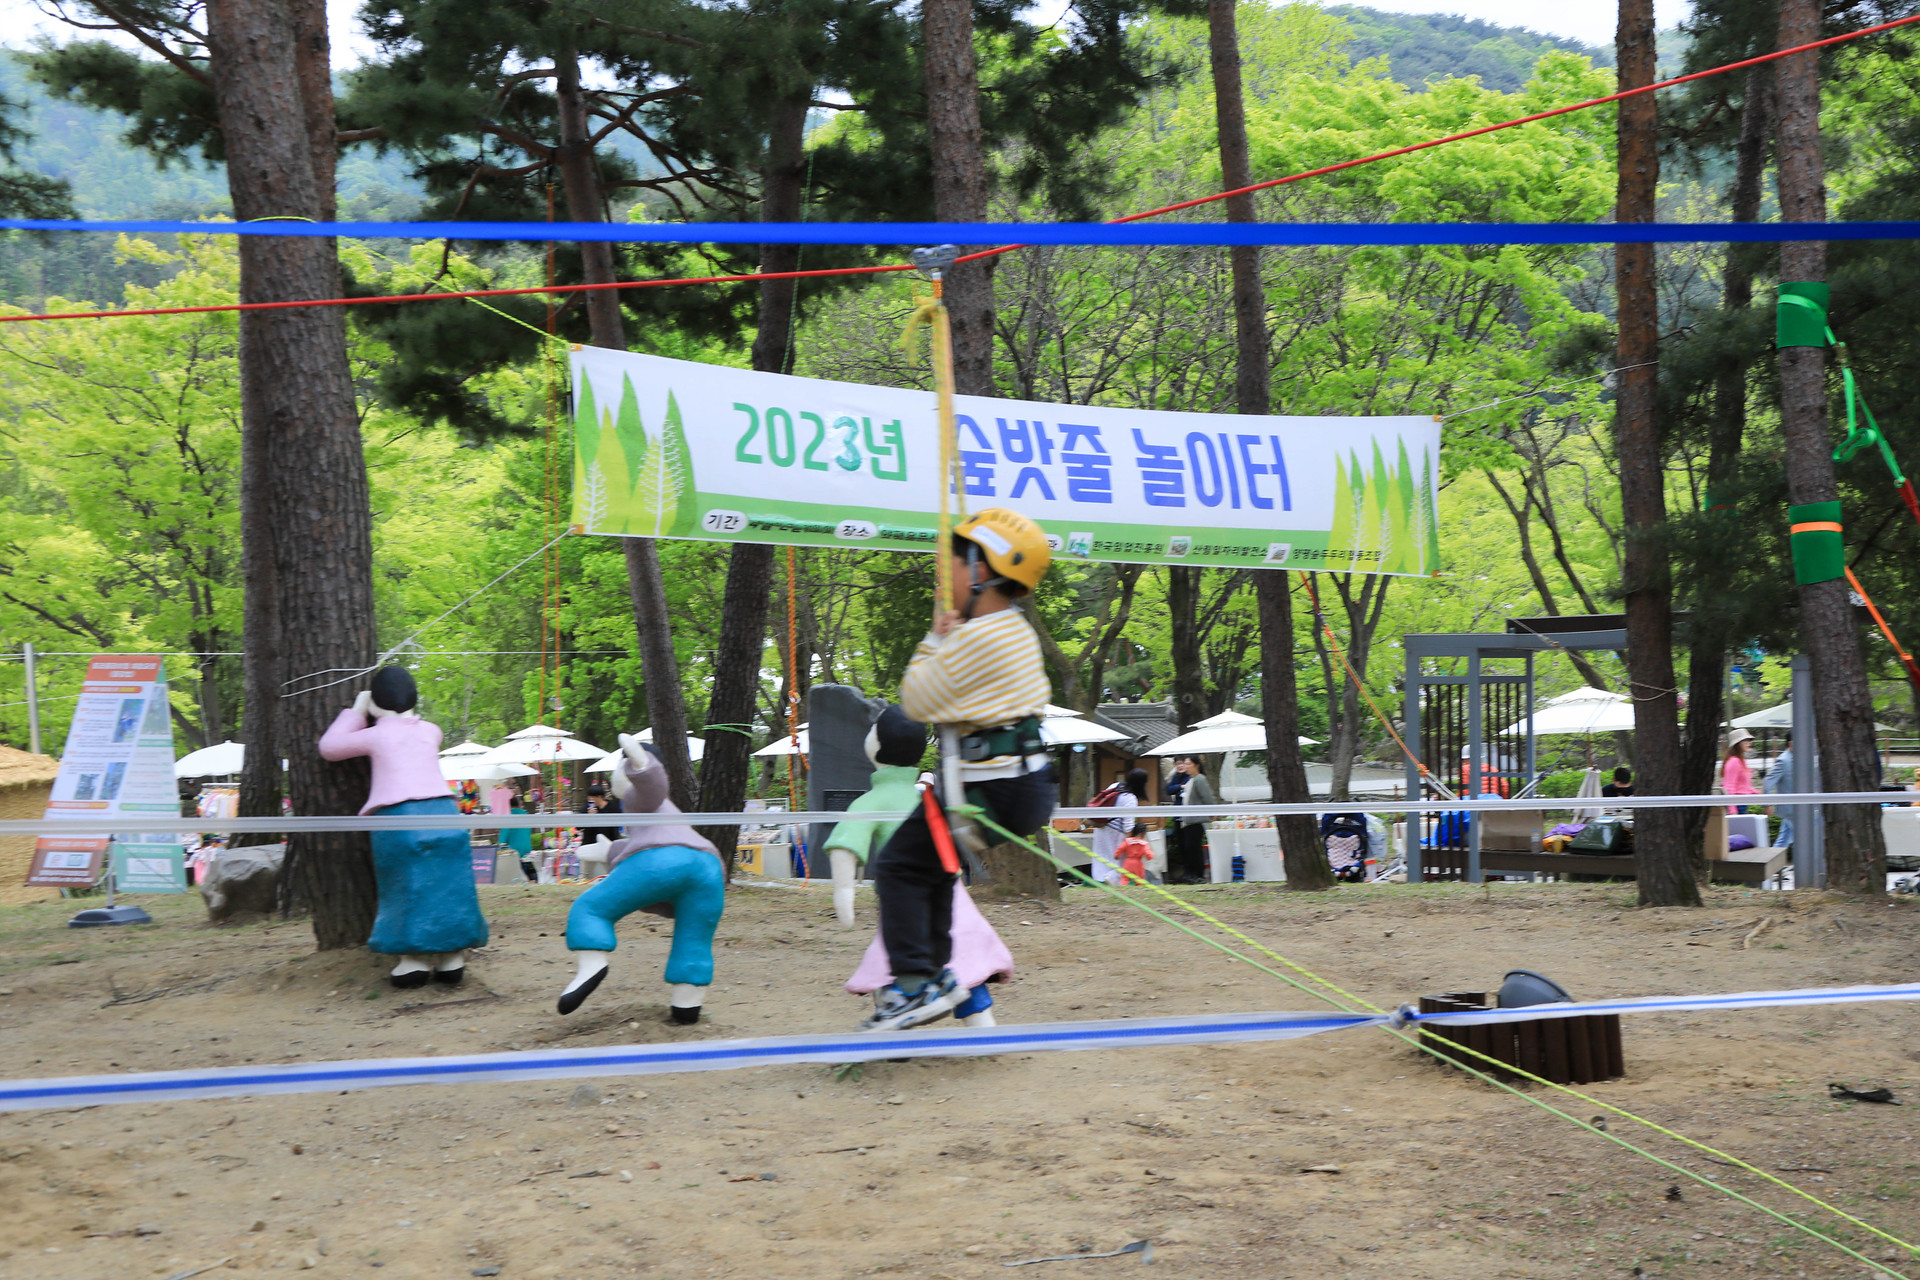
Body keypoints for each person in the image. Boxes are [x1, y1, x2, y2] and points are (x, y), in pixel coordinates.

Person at [863, 508, 1055, 1032]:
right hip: (1013, 782)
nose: (944, 570)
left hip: (992, 788)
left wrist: (934, 639)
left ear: (979, 571)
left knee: (900, 866)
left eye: (952, 559)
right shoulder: (1011, 628)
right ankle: (933, 974)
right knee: (929, 869)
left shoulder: (980, 637)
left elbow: (917, 700)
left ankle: (914, 984)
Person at [318, 666, 489, 989]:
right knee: (450, 886)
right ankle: (452, 957)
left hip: (400, 816)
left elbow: (330, 747)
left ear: (376, 703)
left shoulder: (378, 733)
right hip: (445, 814)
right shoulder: (432, 730)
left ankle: (412, 961)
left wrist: (356, 710)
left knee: (405, 888)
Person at [558, 735, 727, 1023]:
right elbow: (649, 834)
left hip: (663, 862)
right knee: (694, 938)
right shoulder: (665, 811)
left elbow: (652, 787)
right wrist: (610, 850)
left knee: (591, 908)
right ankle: (687, 1005)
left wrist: (640, 763)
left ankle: (592, 966)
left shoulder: (641, 796)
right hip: (708, 871)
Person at [1090, 769, 1147, 885]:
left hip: (1101, 827)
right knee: (1119, 860)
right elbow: (1128, 826)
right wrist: (1131, 843)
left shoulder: (1115, 785)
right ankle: (1111, 879)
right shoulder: (1130, 798)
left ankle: (1100, 879)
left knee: (1101, 856)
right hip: (1116, 833)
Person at [1171, 756, 1215, 884]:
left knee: (1194, 847)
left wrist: (1213, 812)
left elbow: (1208, 798)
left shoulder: (1200, 779)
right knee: (1189, 848)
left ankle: (1199, 875)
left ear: (1196, 765)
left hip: (1197, 820)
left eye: (1188, 764)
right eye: (1184, 764)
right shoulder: (1190, 780)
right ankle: (1192, 874)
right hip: (1188, 820)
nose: (1185, 766)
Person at [1764, 733, 1795, 851]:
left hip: (1794, 809)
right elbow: (1768, 781)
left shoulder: (1796, 758)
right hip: (1791, 810)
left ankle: (1773, 865)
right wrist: (1768, 803)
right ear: (1791, 743)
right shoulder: (1783, 760)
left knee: (1784, 839)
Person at [500, 791, 537, 882]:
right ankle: (535, 881)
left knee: (518, 875)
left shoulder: (508, 816)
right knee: (530, 871)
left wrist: (500, 847)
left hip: (514, 850)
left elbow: (503, 836)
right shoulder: (525, 815)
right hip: (527, 849)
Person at [1723, 728, 1760, 814]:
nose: (1749, 743)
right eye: (1745, 741)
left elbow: (1744, 786)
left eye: (1749, 740)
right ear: (1737, 744)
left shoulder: (1741, 761)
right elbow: (1729, 787)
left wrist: (1759, 795)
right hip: (1738, 805)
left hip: (1742, 803)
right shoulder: (1734, 761)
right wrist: (1732, 810)